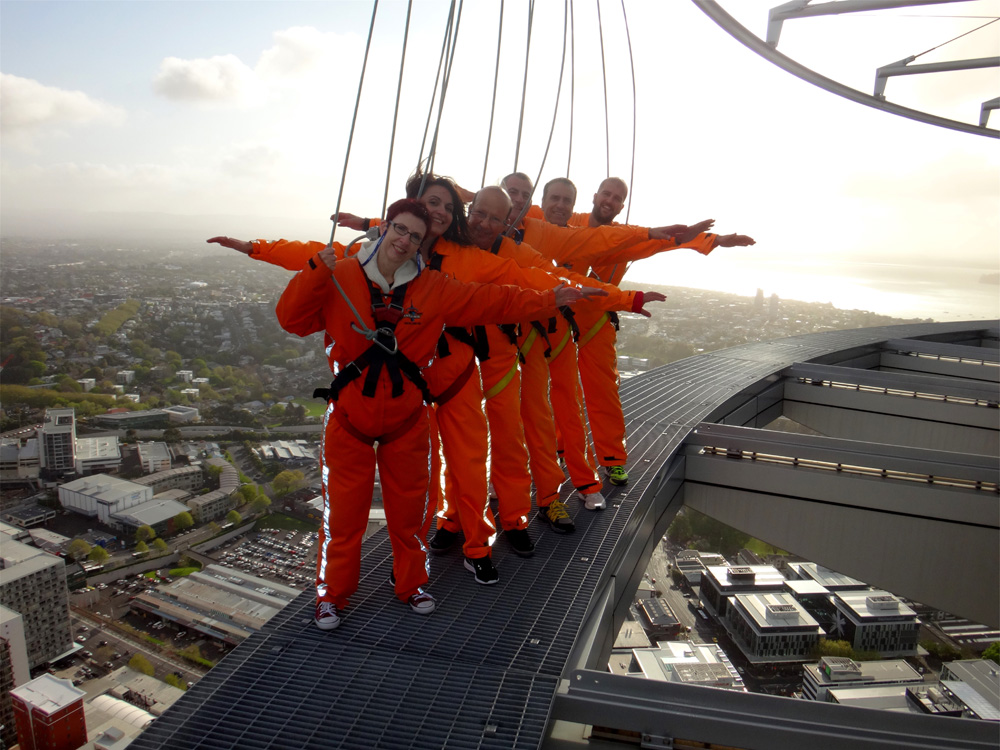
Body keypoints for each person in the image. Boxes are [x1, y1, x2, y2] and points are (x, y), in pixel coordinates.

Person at [228, 198, 600, 630]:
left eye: (415, 237)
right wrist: (315, 270)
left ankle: (411, 584)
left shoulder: (433, 288)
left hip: (407, 419)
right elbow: (291, 319)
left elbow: (494, 302)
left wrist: (550, 299)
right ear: (383, 228)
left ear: (422, 245)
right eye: (400, 230)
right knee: (343, 517)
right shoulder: (342, 275)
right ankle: (331, 595)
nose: (405, 241)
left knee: (409, 515)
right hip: (350, 416)